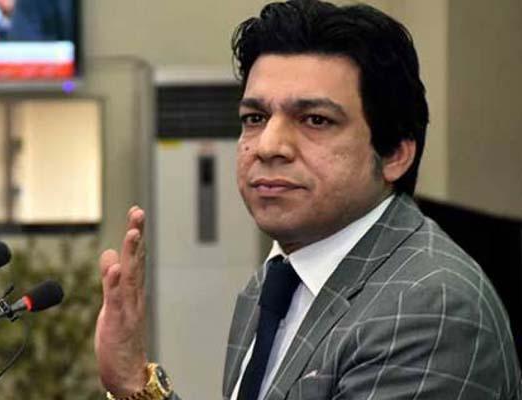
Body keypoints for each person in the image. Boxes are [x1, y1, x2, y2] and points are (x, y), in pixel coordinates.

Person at [94, 1, 522, 399]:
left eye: (315, 120)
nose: (268, 146)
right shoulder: (276, 280)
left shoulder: (429, 308)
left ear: (394, 154)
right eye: (255, 118)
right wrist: (134, 382)